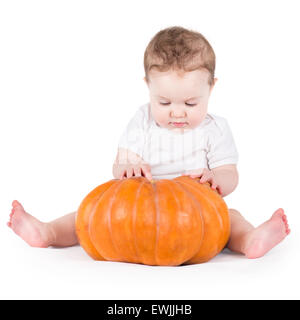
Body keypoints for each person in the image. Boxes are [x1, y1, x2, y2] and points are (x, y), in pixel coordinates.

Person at [7, 26, 290, 259]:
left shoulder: (214, 129)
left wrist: (216, 177)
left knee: (231, 218)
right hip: (136, 210)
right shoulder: (142, 120)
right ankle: (48, 233)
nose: (177, 112)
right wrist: (128, 168)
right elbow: (120, 165)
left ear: (211, 87)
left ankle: (250, 239)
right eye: (164, 101)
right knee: (87, 214)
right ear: (148, 87)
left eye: (191, 102)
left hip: (193, 216)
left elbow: (230, 175)